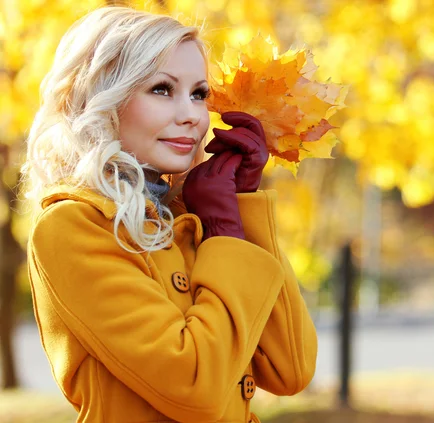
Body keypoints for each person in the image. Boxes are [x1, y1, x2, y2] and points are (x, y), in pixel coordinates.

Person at [23, 6, 317, 423]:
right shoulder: (73, 226)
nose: (193, 116)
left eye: (199, 94)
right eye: (162, 89)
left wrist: (240, 205)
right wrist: (225, 232)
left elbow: (291, 368)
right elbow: (195, 388)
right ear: (103, 96)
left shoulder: (186, 218)